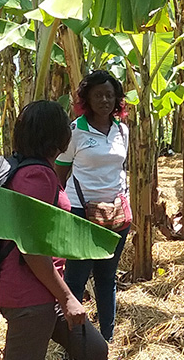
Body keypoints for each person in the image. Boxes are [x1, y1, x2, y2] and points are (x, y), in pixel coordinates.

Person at [0, 100, 134, 360]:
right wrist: (68, 296)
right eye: (65, 128)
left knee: (94, 349)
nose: (71, 131)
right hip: (31, 295)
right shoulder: (35, 177)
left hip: (43, 293)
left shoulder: (36, 169)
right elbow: (31, 247)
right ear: (53, 133)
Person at [55, 70, 130, 343]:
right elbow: (60, 173)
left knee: (106, 278)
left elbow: (121, 169)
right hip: (81, 212)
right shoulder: (75, 131)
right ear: (86, 98)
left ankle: (106, 339)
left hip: (116, 213)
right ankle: (74, 342)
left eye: (110, 95)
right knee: (76, 278)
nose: (105, 100)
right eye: (98, 95)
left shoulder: (122, 130)